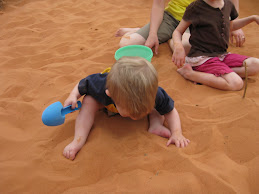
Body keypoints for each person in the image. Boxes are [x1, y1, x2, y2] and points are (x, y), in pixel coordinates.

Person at [63, 56, 190, 160]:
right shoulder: (100, 85)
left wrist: (177, 133)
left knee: (156, 107)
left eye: (141, 112)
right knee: (89, 101)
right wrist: (73, 95)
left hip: (130, 101)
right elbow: (83, 84)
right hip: (106, 104)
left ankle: (156, 125)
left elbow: (170, 111)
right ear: (111, 94)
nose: (136, 117)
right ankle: (78, 139)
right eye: (131, 113)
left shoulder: (154, 94)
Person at [172, 0, 259, 91]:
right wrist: (178, 46)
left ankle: (217, 73)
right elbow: (177, 31)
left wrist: (252, 18)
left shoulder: (228, 4)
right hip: (202, 58)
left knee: (256, 65)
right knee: (236, 83)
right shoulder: (195, 7)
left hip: (221, 56)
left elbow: (230, 27)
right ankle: (190, 73)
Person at [115, 0, 245, 56]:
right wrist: (153, 33)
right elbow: (158, 5)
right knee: (126, 44)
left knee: (187, 48)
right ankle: (164, 34)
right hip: (170, 17)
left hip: (195, 22)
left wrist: (234, 21)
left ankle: (171, 37)